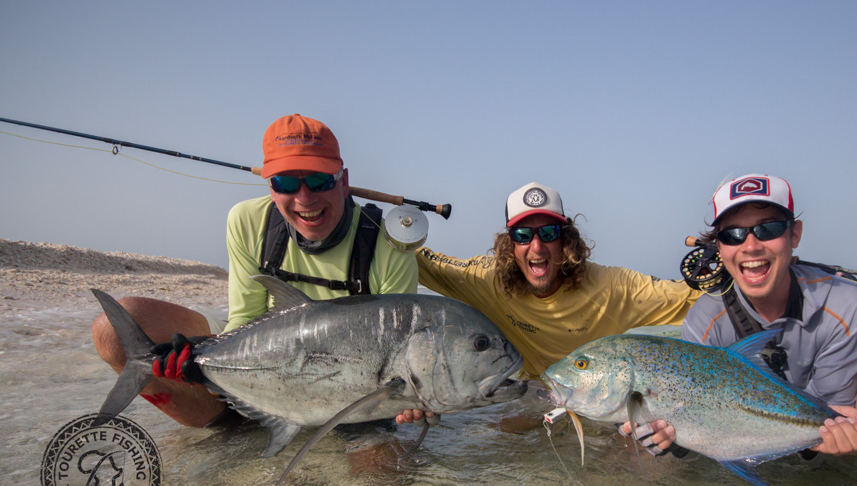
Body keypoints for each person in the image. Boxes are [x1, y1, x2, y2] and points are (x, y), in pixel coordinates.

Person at [635, 174, 857, 482]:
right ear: (720, 248)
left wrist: (822, 434)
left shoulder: (850, 306)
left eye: (767, 228)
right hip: (776, 428)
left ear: (794, 234)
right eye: (732, 234)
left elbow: (830, 417)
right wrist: (672, 440)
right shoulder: (703, 321)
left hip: (845, 416)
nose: (750, 245)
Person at [92, 114, 419, 427]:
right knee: (113, 329)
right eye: (286, 182)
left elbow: (396, 358)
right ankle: (224, 424)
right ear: (271, 188)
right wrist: (198, 355)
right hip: (259, 354)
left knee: (376, 477)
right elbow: (244, 318)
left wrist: (417, 398)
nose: (304, 198)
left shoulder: (389, 246)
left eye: (319, 180)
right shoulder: (247, 221)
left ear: (344, 181)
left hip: (350, 387)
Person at [397, 181, 703, 425]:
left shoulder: (613, 287)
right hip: (538, 395)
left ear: (565, 239)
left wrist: (737, 255)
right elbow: (412, 255)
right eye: (523, 234)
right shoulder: (485, 279)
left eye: (548, 232)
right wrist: (365, 220)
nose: (537, 246)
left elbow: (689, 294)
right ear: (510, 243)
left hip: (601, 404)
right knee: (499, 439)